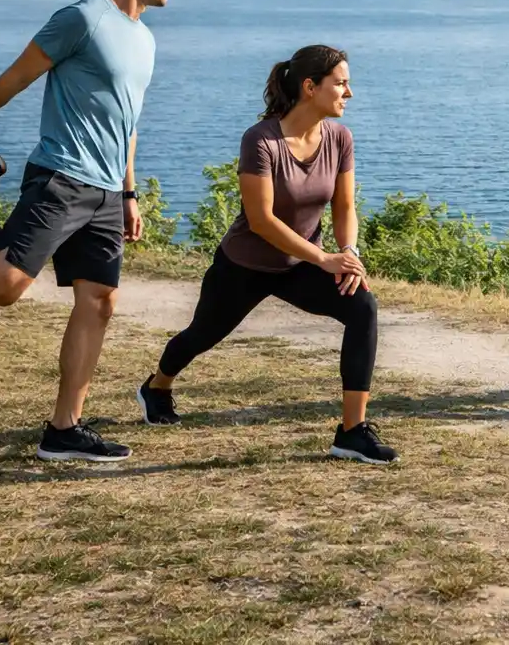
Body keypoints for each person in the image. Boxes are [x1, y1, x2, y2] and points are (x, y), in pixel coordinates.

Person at [0, 0, 176, 462]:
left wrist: (130, 193)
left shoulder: (145, 39)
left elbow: (127, 121)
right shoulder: (84, 18)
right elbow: (16, 77)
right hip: (62, 178)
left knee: (99, 301)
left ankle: (64, 429)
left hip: (108, 191)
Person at [136, 45, 395, 464]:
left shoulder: (339, 138)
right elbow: (261, 221)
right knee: (201, 335)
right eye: (342, 83)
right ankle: (157, 386)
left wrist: (347, 252)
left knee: (363, 305)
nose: (350, 93)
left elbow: (344, 207)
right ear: (310, 87)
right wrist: (325, 258)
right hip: (245, 266)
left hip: (300, 265)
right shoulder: (261, 140)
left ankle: (352, 432)